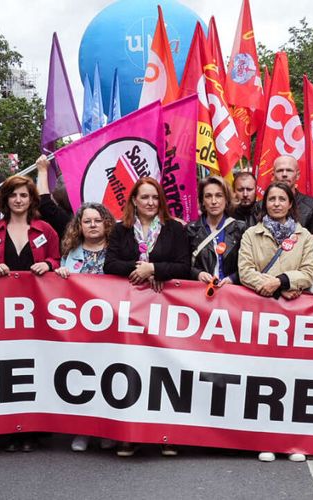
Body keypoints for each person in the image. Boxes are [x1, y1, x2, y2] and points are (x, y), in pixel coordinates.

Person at [104, 178, 189, 457]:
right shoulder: (121, 229)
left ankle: (169, 434)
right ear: (134, 200)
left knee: (165, 369)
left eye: (155, 197)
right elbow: (110, 264)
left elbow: (183, 266)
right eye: (145, 197)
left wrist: (155, 269)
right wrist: (138, 269)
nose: (151, 202)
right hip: (131, 311)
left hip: (166, 309)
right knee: (133, 368)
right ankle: (130, 434)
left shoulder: (174, 228)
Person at [238, 181, 313, 463]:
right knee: (263, 379)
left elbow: (309, 271)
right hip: (261, 313)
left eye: (282, 199)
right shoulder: (250, 234)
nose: (276, 204)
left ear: (290, 203)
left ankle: (294, 441)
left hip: (294, 317)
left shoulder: (304, 236)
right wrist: (274, 286)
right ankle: (265, 439)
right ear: (265, 203)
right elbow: (245, 271)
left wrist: (283, 281)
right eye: (271, 199)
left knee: (293, 378)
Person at [0, 174, 59, 453]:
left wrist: (48, 264)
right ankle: (9, 427)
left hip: (37, 310)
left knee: (35, 365)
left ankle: (33, 429)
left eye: (23, 195)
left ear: (31, 199)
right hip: (4, 310)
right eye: (13, 194)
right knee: (7, 366)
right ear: (6, 198)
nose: (18, 199)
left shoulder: (45, 230)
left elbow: (56, 258)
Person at [53, 202, 117, 452]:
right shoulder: (71, 253)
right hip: (80, 328)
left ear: (106, 223)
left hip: (111, 327)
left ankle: (106, 429)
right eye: (87, 221)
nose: (92, 225)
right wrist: (59, 275)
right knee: (83, 377)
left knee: (108, 377)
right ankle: (83, 429)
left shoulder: (116, 250)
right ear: (79, 225)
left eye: (97, 220)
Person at [187, 176, 246, 289]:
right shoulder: (190, 230)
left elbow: (250, 266)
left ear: (227, 199)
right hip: (200, 296)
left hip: (233, 296)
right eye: (208, 196)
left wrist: (233, 278)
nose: (214, 201)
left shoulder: (241, 229)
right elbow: (182, 265)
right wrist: (197, 274)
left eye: (219, 196)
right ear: (202, 201)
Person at [271, 155, 313, 232]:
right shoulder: (260, 207)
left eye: (289, 170)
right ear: (273, 176)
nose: (284, 174)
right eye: (280, 170)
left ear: (297, 175)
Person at [35, 155, 73, 237]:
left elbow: (44, 203)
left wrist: (42, 171)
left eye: (60, 183)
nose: (54, 187)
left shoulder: (66, 220)